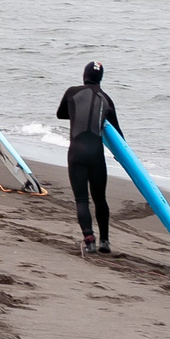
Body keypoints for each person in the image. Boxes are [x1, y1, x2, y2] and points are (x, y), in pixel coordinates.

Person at [54, 62, 118, 254]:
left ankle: (89, 240)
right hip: (96, 155)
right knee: (100, 199)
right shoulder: (107, 99)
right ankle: (105, 241)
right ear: (101, 78)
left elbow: (60, 114)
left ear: (84, 75)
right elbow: (118, 135)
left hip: (76, 153)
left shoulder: (72, 92)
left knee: (81, 199)